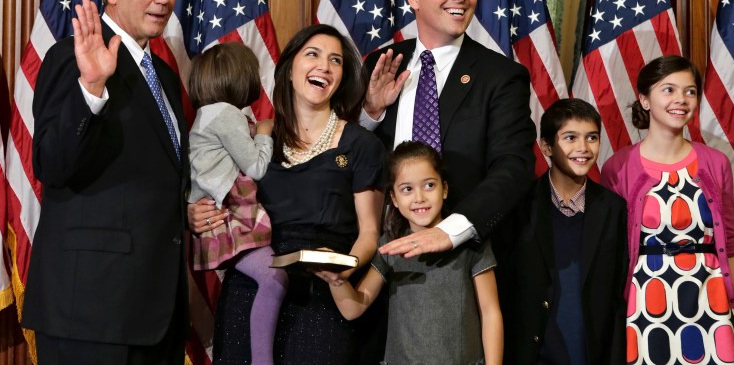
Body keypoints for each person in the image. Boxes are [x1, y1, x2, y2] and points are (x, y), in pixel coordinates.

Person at [24, 0, 187, 364]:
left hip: (155, 312)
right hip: (91, 312)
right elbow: (51, 165)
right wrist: (91, 88)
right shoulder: (73, 60)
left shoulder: (167, 78)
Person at [193, 24, 385, 364]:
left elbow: (371, 233)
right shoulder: (254, 137)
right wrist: (194, 214)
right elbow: (207, 182)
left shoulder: (362, 145)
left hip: (324, 294)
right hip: (250, 289)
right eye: (313, 54)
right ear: (290, 71)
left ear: (341, 77)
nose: (324, 66)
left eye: (335, 60)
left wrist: (344, 271)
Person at [360, 0, 535, 258]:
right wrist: (371, 113)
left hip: (463, 257)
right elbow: (351, 156)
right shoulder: (383, 64)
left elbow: (514, 168)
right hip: (382, 256)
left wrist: (449, 231)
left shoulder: (502, 76)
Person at [600, 55, 734, 365]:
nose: (682, 100)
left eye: (690, 91)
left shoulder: (715, 163)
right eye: (669, 90)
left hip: (709, 301)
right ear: (645, 100)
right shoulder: (618, 168)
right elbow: (610, 255)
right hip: (645, 307)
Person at [316, 141, 503, 364]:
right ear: (394, 199)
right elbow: (354, 307)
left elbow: (490, 312)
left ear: (444, 189)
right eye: (407, 189)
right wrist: (336, 277)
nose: (419, 198)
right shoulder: (391, 245)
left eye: (429, 185)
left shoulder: (470, 241)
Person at [498, 98, 627, 364]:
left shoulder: (613, 210)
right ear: (546, 146)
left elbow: (617, 297)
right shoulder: (518, 208)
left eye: (592, 138)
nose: (583, 148)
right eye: (570, 138)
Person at [187, 42, 287, 364]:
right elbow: (256, 167)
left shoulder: (208, 113)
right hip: (230, 223)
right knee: (275, 276)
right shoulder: (226, 114)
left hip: (223, 220)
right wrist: (265, 132)